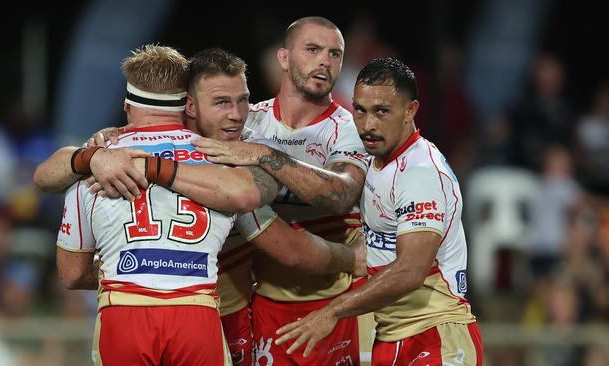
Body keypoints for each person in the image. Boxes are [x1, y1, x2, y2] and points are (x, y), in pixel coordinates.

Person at [48, 44, 279, 366]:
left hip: (123, 311)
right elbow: (250, 195)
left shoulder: (96, 164)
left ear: (127, 104)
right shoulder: (224, 156)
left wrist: (134, 267)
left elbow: (72, 275)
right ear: (187, 105)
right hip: (196, 311)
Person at [274, 57, 483, 365]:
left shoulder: (420, 172)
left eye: (381, 111)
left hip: (435, 335)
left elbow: (411, 270)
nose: (368, 124)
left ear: (410, 110)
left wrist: (333, 310)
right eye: (360, 110)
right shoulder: (375, 160)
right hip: (389, 336)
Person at [192, 16, 368, 365]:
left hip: (330, 300)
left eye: (335, 54)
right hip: (264, 303)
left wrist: (264, 155)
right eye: (313, 49)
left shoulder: (346, 129)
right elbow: (183, 139)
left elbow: (340, 195)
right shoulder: (248, 119)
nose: (325, 61)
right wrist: (115, 136)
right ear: (284, 58)